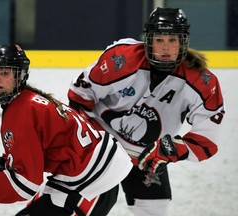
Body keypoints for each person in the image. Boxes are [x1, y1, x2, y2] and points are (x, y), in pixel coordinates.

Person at [67, 7, 225, 216]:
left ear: (183, 42)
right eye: (159, 40)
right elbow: (79, 96)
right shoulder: (121, 60)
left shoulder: (202, 82)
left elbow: (207, 141)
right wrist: (91, 141)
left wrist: (170, 149)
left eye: (172, 40)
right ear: (148, 40)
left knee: (154, 210)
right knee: (80, 206)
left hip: (149, 156)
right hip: (102, 146)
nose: (166, 47)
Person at [0, 44, 133, 215]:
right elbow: (34, 153)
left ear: (18, 76)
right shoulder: (28, 101)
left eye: (4, 73)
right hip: (92, 172)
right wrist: (7, 164)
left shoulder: (20, 112)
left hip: (90, 182)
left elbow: (26, 184)